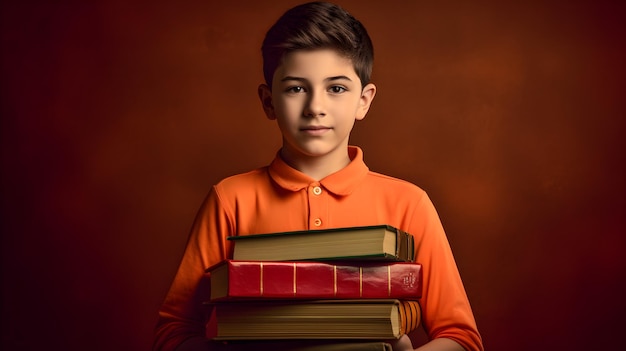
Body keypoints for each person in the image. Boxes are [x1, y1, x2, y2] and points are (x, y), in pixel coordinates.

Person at [153, 2, 483, 351]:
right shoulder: (230, 199)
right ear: (268, 101)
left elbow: (461, 338)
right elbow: (173, 332)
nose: (315, 107)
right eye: (296, 88)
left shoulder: (408, 203)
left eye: (336, 88)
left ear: (364, 101)